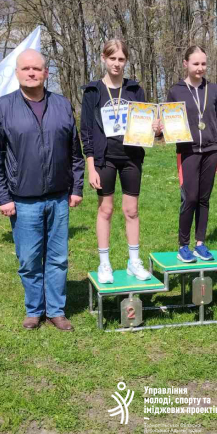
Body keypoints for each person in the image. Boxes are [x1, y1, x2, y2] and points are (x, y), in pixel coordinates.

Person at [0, 49, 84, 331]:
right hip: (22, 199)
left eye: (37, 69)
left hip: (58, 198)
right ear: (17, 73)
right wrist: (3, 196)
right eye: (26, 68)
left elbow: (75, 152)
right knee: (28, 259)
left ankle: (56, 310)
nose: (31, 73)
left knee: (58, 258)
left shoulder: (62, 105)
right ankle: (33, 310)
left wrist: (76, 187)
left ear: (46, 73)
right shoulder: (1, 108)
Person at [81, 39, 155, 284]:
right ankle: (104, 264)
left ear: (126, 61)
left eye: (121, 59)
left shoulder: (134, 89)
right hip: (104, 159)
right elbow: (87, 132)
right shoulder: (93, 91)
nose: (116, 63)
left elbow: (146, 125)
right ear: (103, 58)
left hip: (131, 158)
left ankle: (134, 262)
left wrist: (157, 128)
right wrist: (91, 167)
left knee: (131, 211)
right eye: (112, 58)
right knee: (106, 209)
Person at [166, 46, 217, 263]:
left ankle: (200, 243)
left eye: (203, 64)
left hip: (210, 150)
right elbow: (169, 119)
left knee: (204, 198)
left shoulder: (214, 89)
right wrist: (161, 127)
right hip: (187, 151)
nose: (200, 68)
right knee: (189, 198)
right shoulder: (176, 91)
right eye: (195, 64)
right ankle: (183, 245)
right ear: (185, 64)